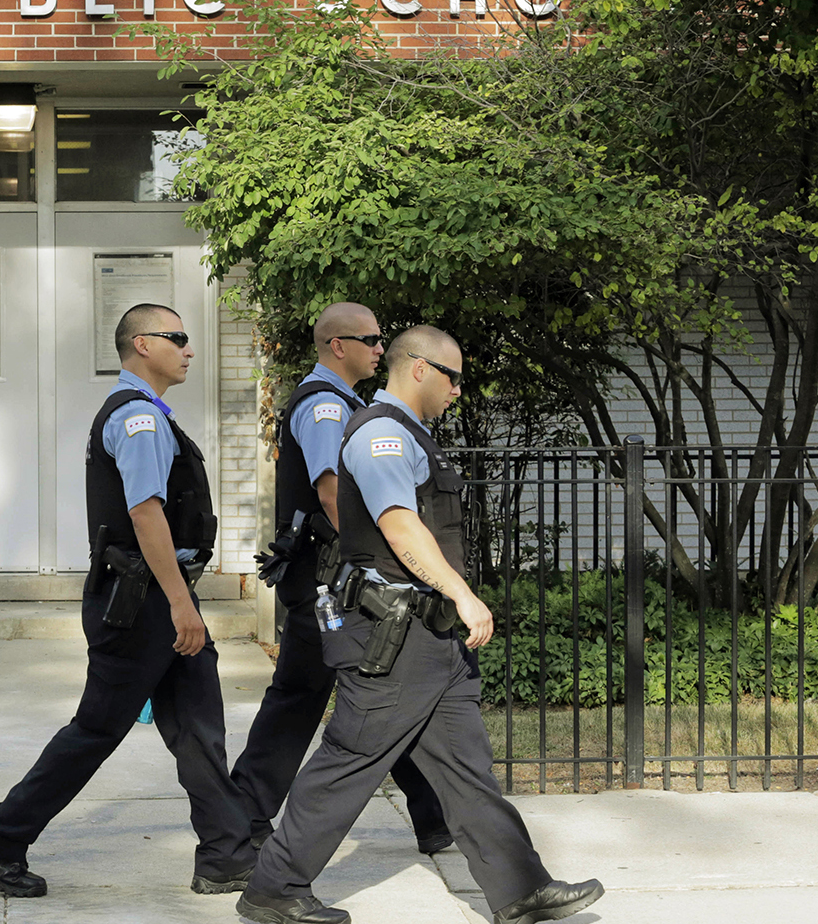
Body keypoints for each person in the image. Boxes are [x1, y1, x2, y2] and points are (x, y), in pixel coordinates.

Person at [237, 327, 604, 924]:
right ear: (418, 369)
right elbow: (399, 526)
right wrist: (463, 595)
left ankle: (520, 888)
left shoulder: (410, 434)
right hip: (393, 636)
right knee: (349, 759)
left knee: (464, 766)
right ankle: (274, 887)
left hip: (425, 636)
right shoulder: (381, 433)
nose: (459, 390)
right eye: (453, 377)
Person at [0, 303, 257, 898]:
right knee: (97, 729)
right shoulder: (138, 419)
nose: (189, 349)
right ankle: (0, 834)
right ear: (142, 345)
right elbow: (144, 513)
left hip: (154, 596)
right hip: (142, 602)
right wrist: (180, 604)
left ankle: (226, 853)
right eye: (178, 338)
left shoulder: (148, 414)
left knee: (199, 726)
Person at [234, 302, 450, 855]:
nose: (381, 348)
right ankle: (240, 831)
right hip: (326, 582)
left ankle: (435, 819)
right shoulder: (324, 407)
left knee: (384, 694)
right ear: (338, 346)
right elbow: (334, 496)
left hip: (334, 580)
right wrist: (379, 567)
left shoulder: (345, 403)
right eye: (371, 338)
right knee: (300, 702)